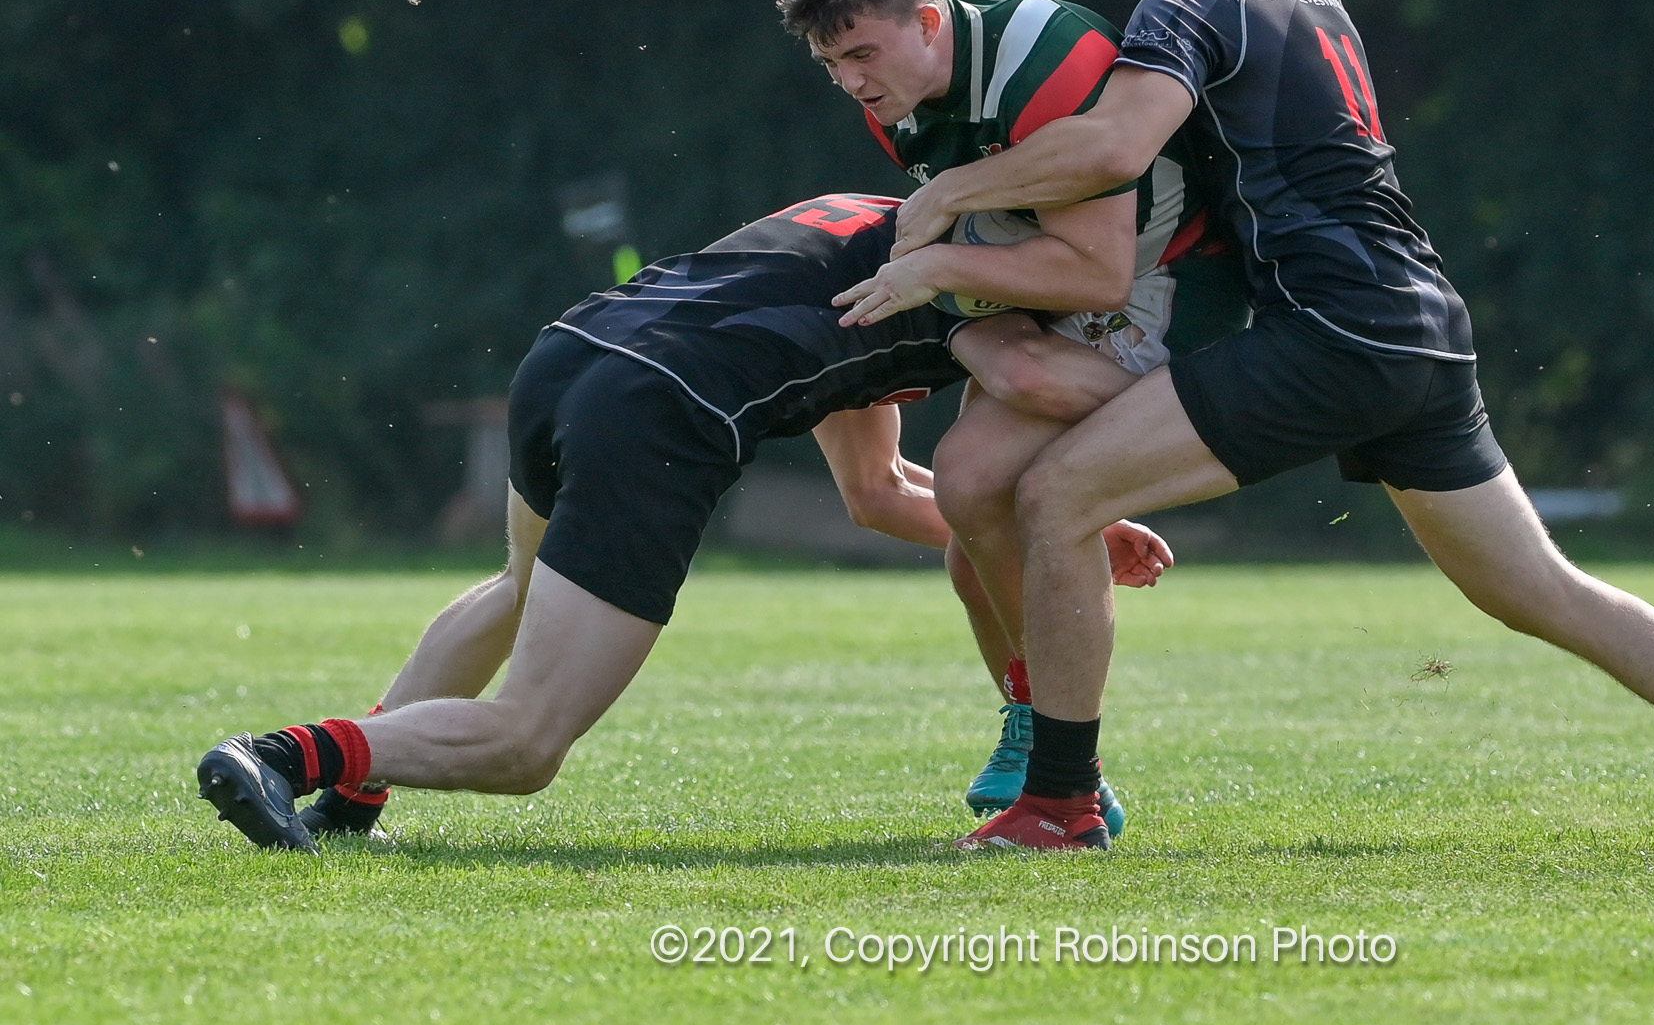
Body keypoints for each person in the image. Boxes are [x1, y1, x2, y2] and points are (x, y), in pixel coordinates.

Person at [875, 0, 1654, 851]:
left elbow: (1114, 147)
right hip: (1420, 324)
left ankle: (1059, 803)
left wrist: (948, 195)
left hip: (1331, 330)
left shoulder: (1187, 2)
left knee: (1054, 493)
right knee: (1539, 588)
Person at [193, 195, 1170, 851]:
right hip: (655, 413)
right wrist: (1051, 517)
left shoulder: (879, 223)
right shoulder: (977, 292)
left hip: (574, 350)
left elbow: (874, 488)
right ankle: (289, 754)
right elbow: (931, 473)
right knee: (526, 743)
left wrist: (1013, 523)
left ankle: (349, 807)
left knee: (517, 584)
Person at [774, 0, 1244, 824]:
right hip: (1071, 290)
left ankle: (1054, 750)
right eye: (833, 63)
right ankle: (1046, 739)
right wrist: (964, 315)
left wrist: (945, 270)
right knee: (967, 511)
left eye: (864, 52)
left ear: (926, 18)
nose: (853, 82)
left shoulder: (1041, 55)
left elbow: (1097, 274)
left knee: (983, 472)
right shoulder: (894, 106)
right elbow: (1007, 242)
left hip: (1172, 284)